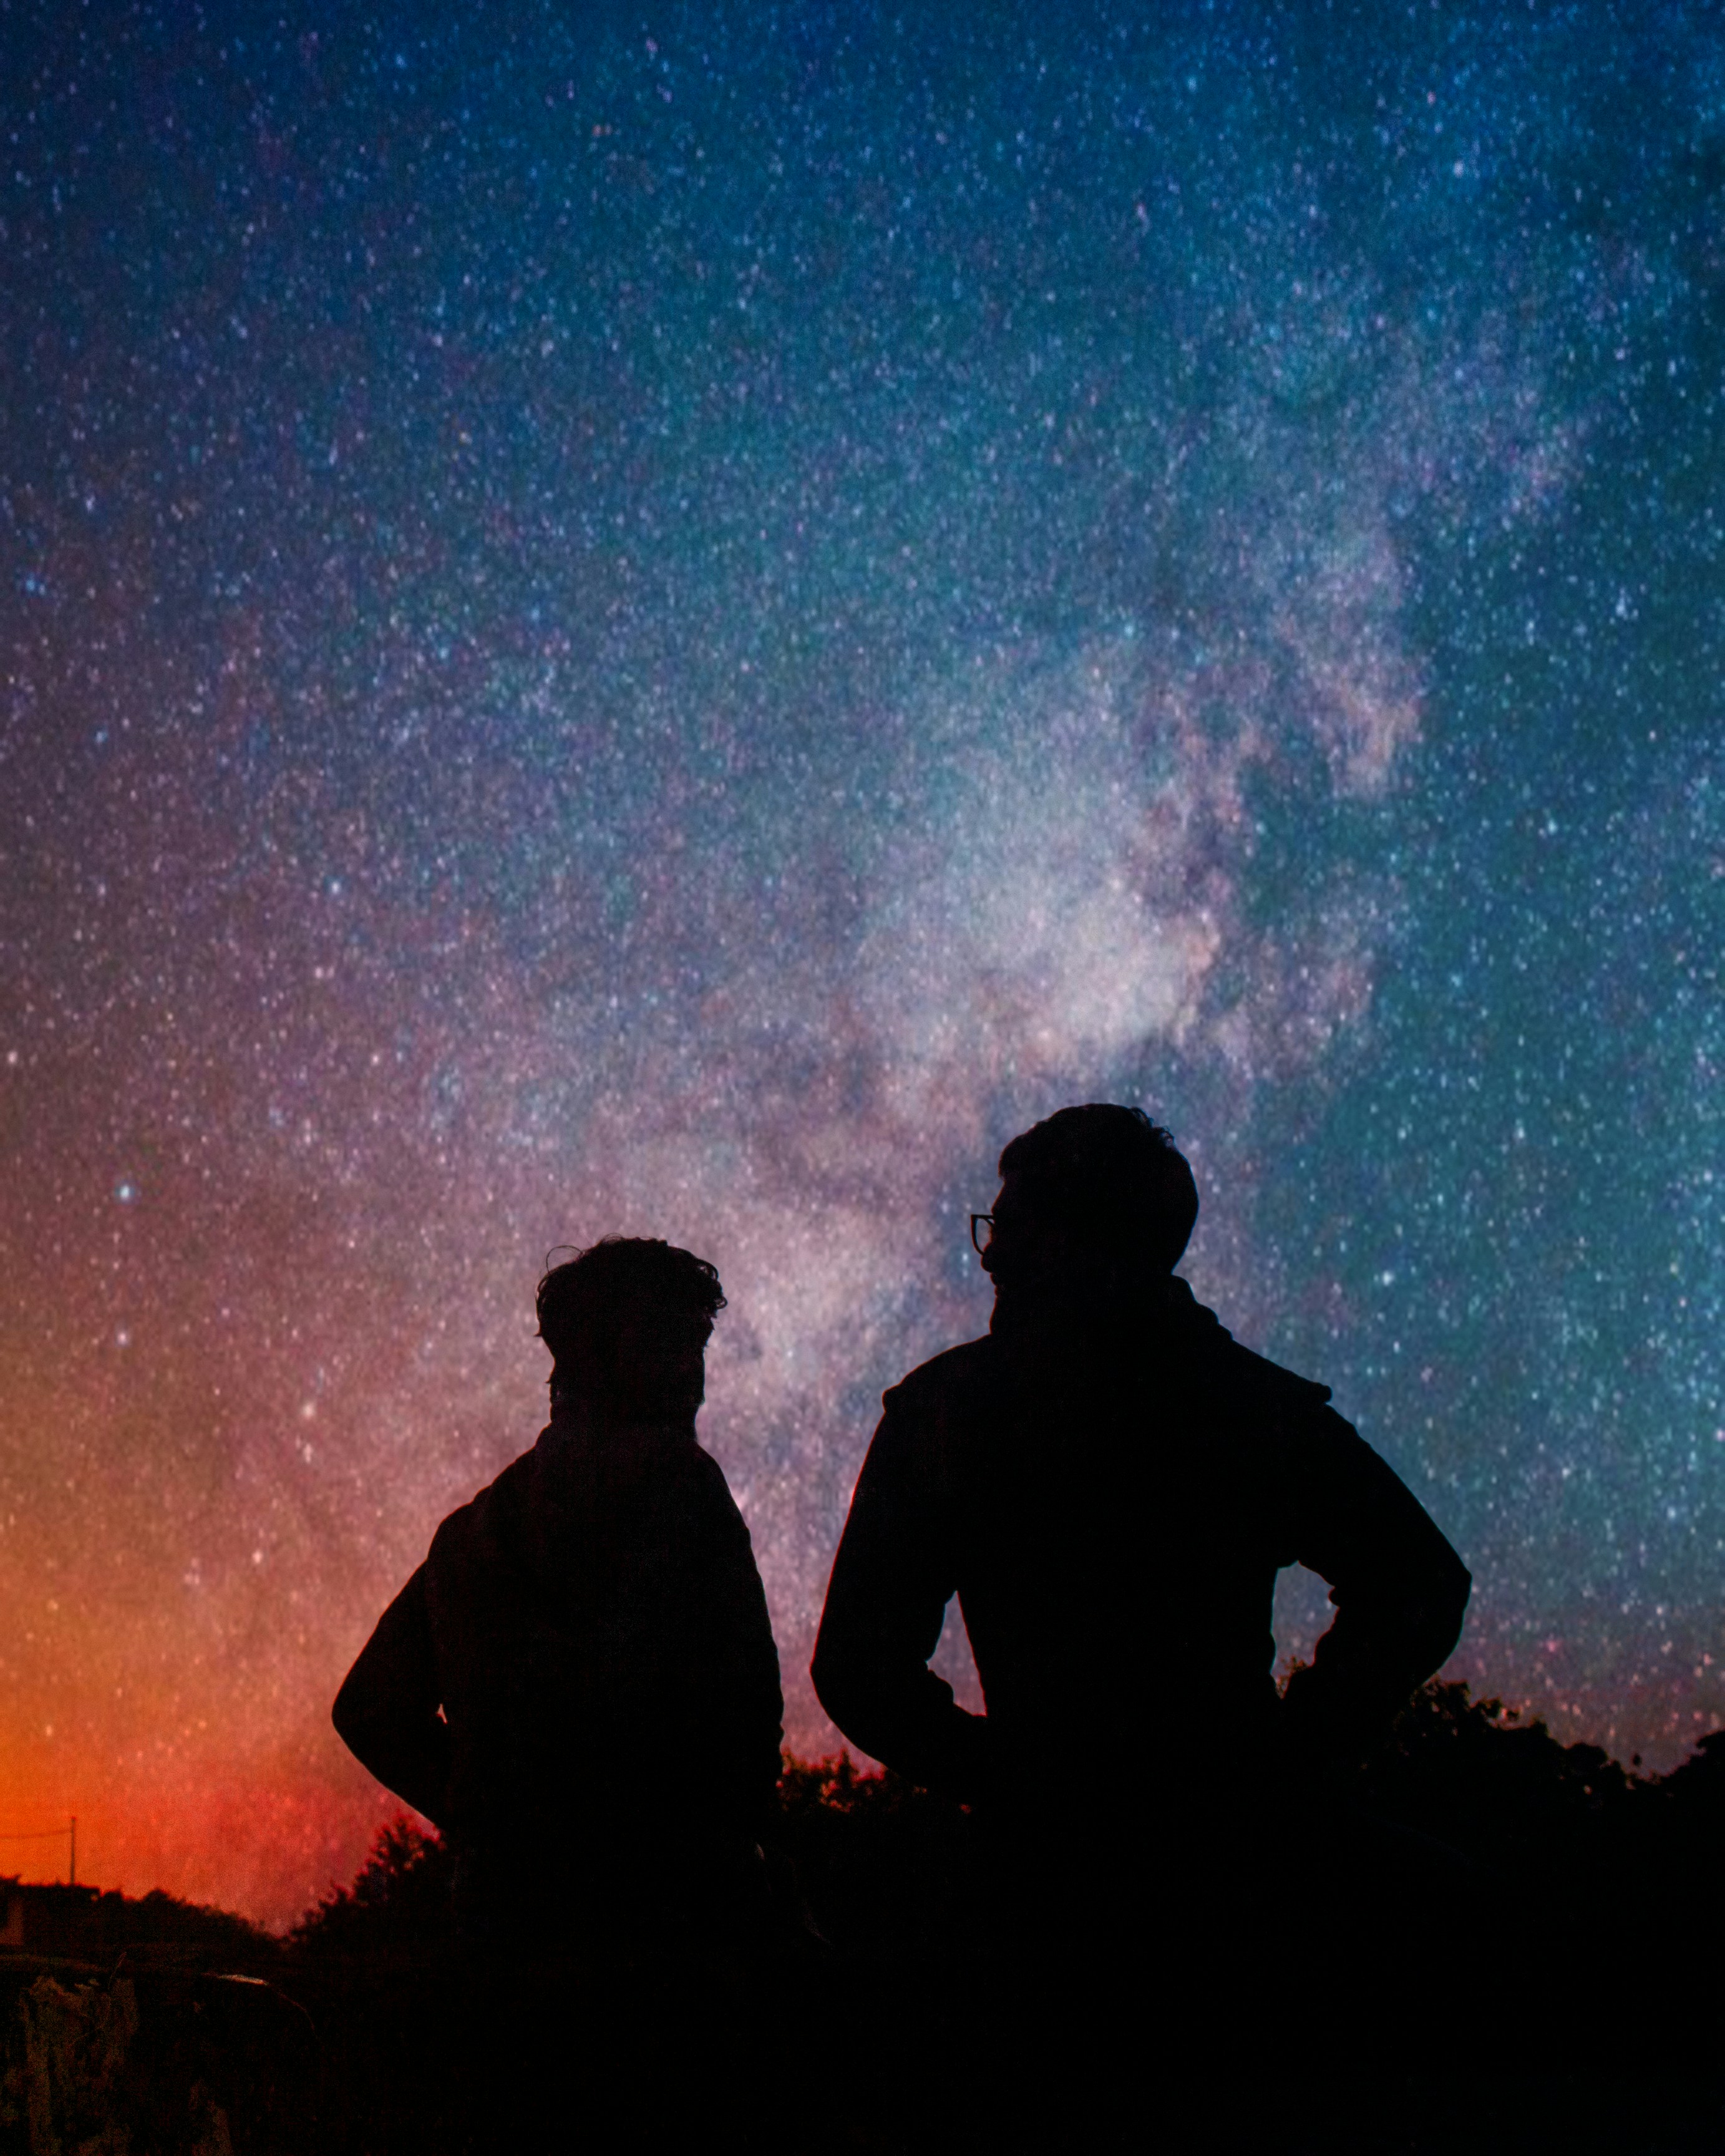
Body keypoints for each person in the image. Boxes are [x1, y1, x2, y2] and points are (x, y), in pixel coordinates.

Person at [811, 1105, 1472, 2135]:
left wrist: (1009, 1780)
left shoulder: (953, 1411)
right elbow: (1421, 1584)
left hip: (1047, 1895)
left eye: (1011, 1229)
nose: (992, 1258)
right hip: (1249, 1884)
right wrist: (1288, 1761)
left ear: (1082, 1243)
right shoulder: (1250, 1404)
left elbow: (857, 1668)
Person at [333, 1236, 784, 1956]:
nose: (693, 1378)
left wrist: (491, 1823)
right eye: (672, 1344)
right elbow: (745, 1725)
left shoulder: (469, 1535)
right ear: (603, 1356)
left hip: (510, 1938)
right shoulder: (680, 1486)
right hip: (673, 1932)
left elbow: (370, 1710)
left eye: (694, 1347)